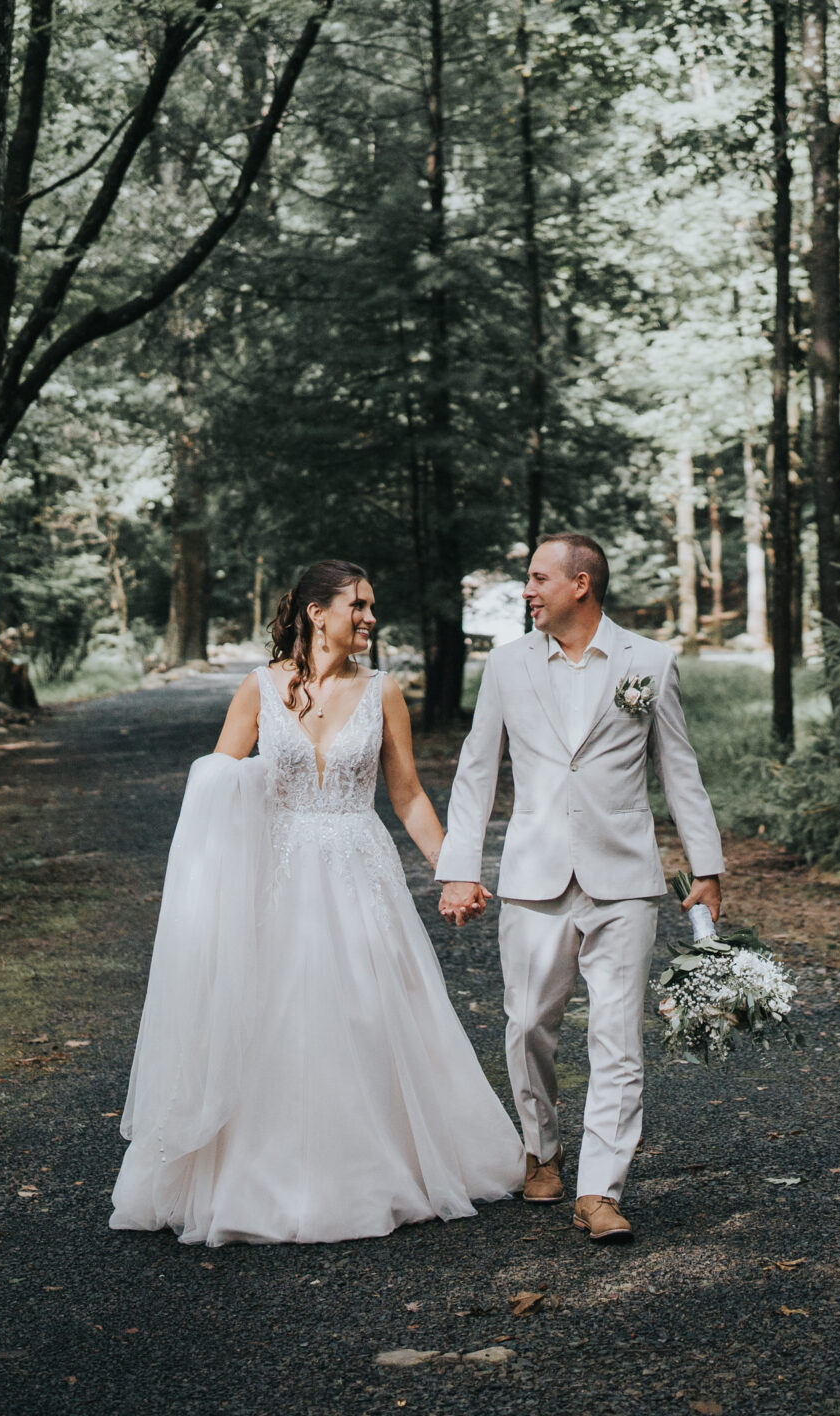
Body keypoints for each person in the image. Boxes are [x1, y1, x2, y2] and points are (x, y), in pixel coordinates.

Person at [110, 560, 521, 1245]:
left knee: (367, 1014)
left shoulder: (383, 691)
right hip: (277, 876)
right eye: (357, 605)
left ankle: (375, 1168)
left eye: (370, 606)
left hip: (361, 872)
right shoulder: (257, 689)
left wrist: (455, 870)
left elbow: (410, 796)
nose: (369, 617)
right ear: (315, 612)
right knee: (271, 1017)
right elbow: (218, 790)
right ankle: (263, 1179)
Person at [435, 532, 724, 1243]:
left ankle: (600, 1190)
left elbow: (678, 770)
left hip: (624, 877)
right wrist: (460, 867)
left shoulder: (648, 663)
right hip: (534, 874)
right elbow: (478, 771)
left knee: (617, 1035)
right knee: (528, 1021)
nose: (527, 590)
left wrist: (707, 868)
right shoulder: (505, 667)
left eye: (537, 578)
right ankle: (542, 1145)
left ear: (580, 585)